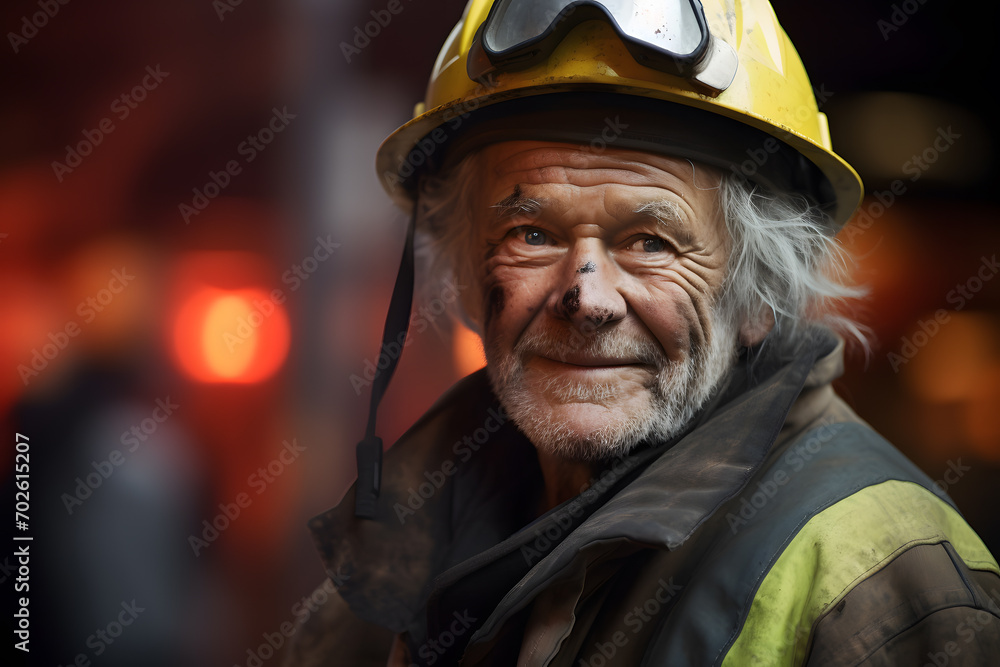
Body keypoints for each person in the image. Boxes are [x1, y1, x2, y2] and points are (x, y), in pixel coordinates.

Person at [289, 1, 1000, 664]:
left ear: (760, 296)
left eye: (652, 242)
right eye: (531, 233)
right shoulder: (393, 569)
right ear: (468, 280)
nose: (586, 298)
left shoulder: (885, 581)